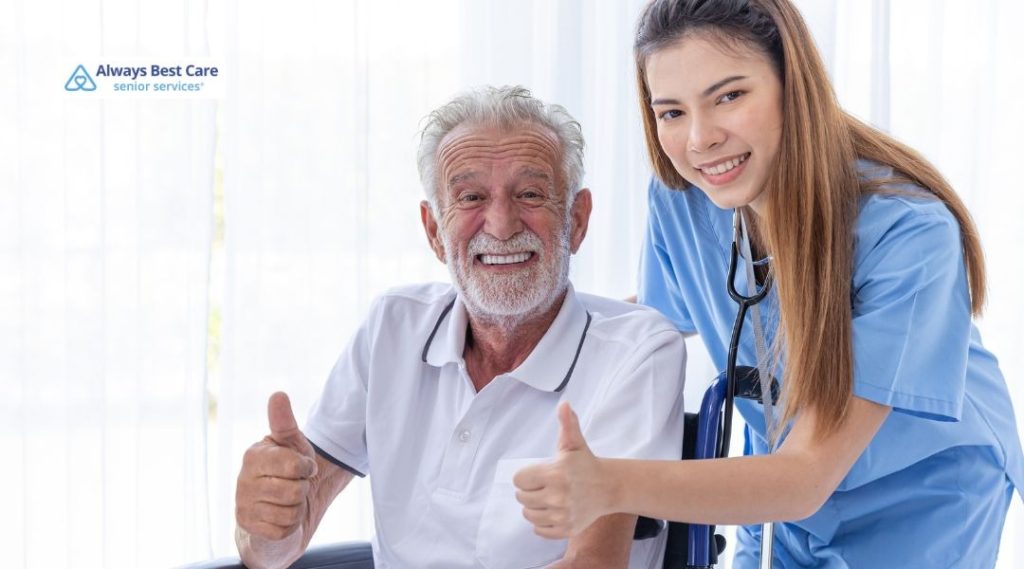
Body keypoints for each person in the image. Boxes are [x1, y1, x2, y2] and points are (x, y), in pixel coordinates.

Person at [513, 1, 1024, 567]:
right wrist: (518, 320)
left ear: (792, 84)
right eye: (672, 112)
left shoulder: (908, 234)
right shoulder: (684, 199)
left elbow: (807, 475)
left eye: (729, 96)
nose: (700, 140)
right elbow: (653, 322)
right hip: (778, 485)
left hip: (920, 495)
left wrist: (606, 485)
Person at [233, 85, 688, 569]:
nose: (501, 223)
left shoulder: (637, 349)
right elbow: (275, 550)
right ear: (434, 230)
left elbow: (595, 564)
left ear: (576, 221)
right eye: (471, 197)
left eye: (530, 194)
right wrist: (265, 525)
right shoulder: (394, 323)